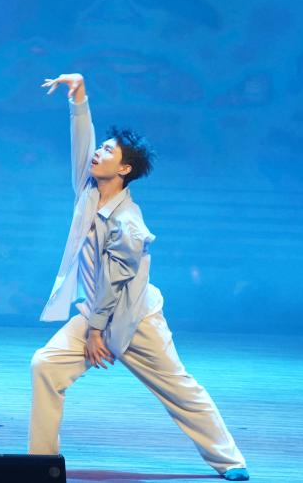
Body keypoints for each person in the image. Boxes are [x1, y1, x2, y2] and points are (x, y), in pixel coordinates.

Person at [27, 73, 250, 482]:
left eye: (108, 151)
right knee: (45, 365)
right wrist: (79, 96)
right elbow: (81, 143)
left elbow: (114, 284)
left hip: (135, 321)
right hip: (96, 314)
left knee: (178, 388)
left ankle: (230, 461)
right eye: (101, 148)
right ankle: (40, 463)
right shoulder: (88, 191)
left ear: (124, 168)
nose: (98, 153)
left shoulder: (128, 224)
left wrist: (96, 333)